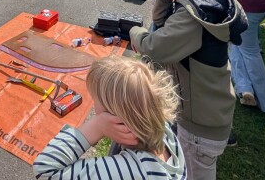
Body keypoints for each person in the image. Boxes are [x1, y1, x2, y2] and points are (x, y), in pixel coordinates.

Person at [130, 0, 247, 180]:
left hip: (200, 125)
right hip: (212, 109)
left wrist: (135, 32)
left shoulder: (190, 17)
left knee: (194, 173)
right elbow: (163, 22)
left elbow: (155, 47)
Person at [33, 55, 185, 179]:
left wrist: (97, 126)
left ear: (116, 117)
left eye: (95, 100)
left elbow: (45, 169)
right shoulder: (166, 134)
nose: (94, 105)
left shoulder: (130, 171)